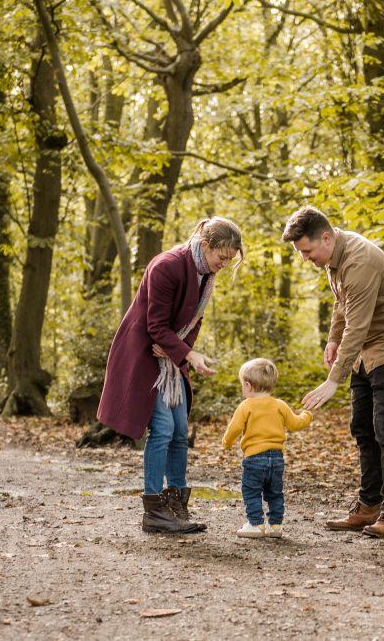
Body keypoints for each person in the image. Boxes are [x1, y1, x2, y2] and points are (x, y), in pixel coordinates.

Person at [282, 205, 384, 538]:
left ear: (326, 238)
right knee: (362, 427)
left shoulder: (359, 261)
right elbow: (341, 306)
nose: (305, 259)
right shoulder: (335, 260)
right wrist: (333, 340)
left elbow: (358, 325)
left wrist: (334, 379)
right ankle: (369, 506)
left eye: (306, 251)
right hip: (368, 355)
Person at [96, 217, 243, 534]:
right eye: (223, 256)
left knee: (179, 429)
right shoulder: (167, 265)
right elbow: (155, 325)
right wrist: (186, 353)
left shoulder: (205, 274)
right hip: (144, 354)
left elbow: (194, 320)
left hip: (169, 354)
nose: (225, 264)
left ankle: (176, 505)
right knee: (161, 428)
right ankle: (153, 510)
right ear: (206, 245)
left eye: (231, 259)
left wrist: (183, 349)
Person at [222, 358, 312, 538]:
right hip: (277, 458)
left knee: (252, 491)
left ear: (248, 386)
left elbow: (234, 428)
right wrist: (307, 415)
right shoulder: (280, 405)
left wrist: (227, 442)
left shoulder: (246, 405)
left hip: (254, 458)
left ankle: (255, 524)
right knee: (275, 492)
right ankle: (275, 526)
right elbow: (295, 424)